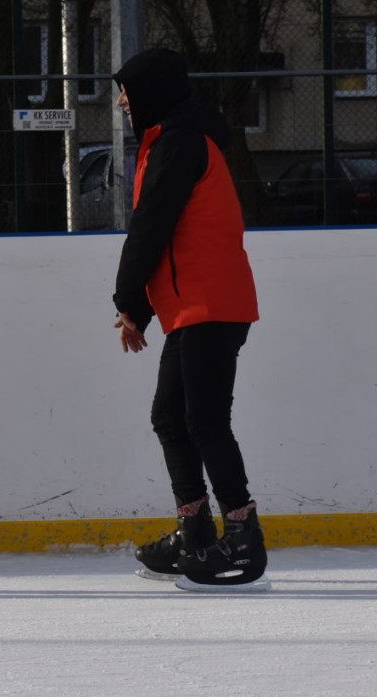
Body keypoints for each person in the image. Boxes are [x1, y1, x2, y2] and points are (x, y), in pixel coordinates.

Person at [111, 49, 269, 591]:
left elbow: (151, 227)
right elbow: (176, 239)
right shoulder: (178, 138)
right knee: (170, 417)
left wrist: (128, 300)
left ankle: (243, 539)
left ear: (152, 91)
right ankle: (194, 530)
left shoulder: (179, 143)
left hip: (210, 306)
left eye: (127, 91)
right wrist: (143, 307)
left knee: (203, 420)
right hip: (197, 305)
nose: (121, 101)